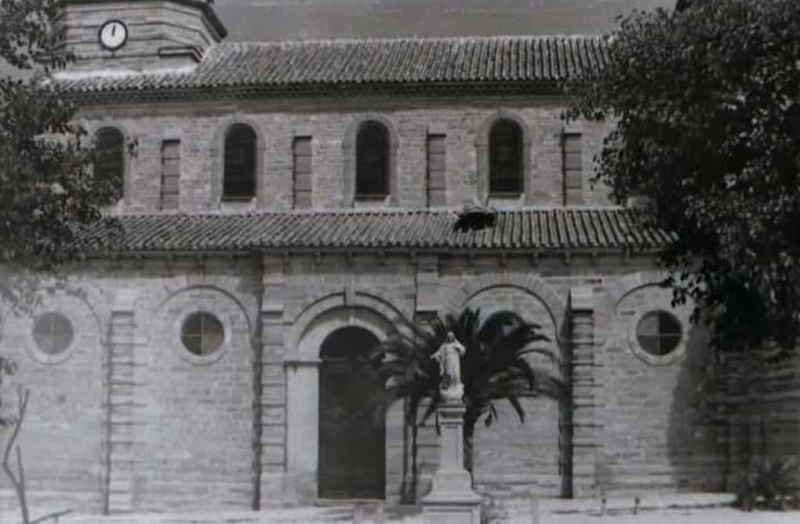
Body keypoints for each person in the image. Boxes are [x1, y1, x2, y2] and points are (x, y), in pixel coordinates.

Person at [431, 331, 466, 401]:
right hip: (447, 361)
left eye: (451, 337)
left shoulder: (456, 344)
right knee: (448, 374)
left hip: (455, 361)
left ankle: (455, 388)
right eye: (449, 337)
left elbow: (463, 350)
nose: (450, 338)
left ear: (453, 337)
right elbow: (439, 352)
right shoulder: (445, 345)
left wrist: (458, 348)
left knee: (455, 374)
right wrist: (434, 355)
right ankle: (449, 388)